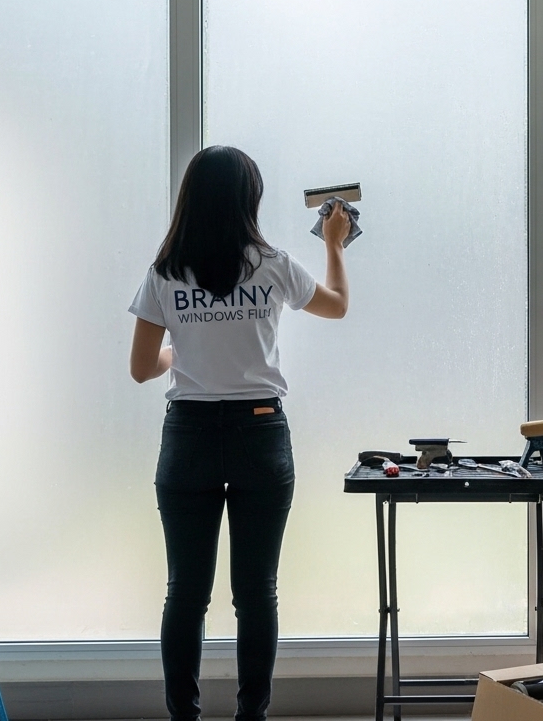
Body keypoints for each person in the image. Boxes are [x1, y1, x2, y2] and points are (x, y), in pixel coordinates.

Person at [127, 145, 350, 721]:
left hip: (189, 437)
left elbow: (141, 367)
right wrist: (331, 244)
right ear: (249, 199)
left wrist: (188, 348)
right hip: (260, 434)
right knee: (256, 595)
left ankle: (184, 717)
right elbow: (337, 307)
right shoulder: (271, 263)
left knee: (186, 594)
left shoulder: (165, 272)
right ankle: (253, 717)